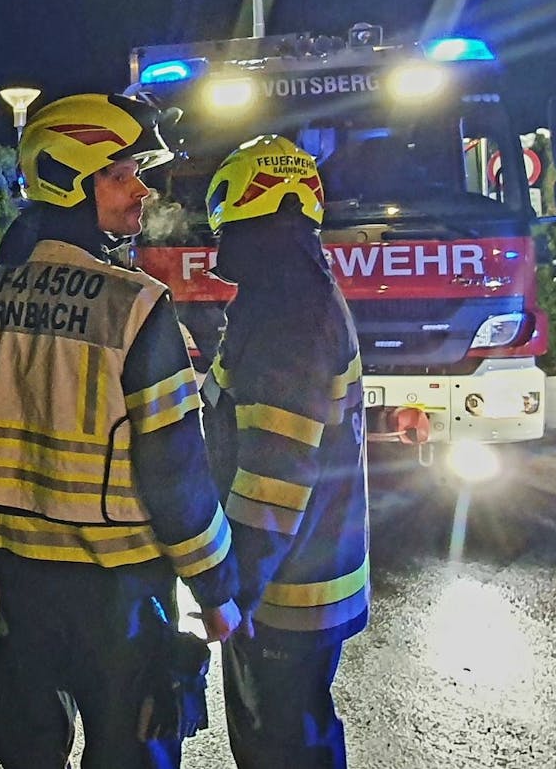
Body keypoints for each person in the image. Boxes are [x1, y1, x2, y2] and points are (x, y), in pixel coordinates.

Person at [0, 93, 241, 769]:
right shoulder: (137, 305)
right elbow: (175, 469)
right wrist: (217, 587)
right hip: (121, 588)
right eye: (121, 174)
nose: (142, 190)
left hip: (20, 576)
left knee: (30, 748)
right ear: (69, 182)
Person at [202, 135, 368, 769]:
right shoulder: (299, 289)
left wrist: (233, 590)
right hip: (308, 573)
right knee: (297, 734)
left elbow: (275, 471)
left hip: (287, 592)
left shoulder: (284, 312)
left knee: (281, 745)